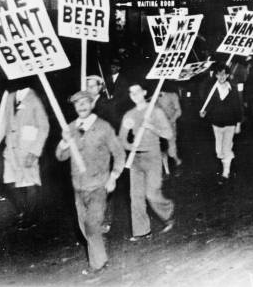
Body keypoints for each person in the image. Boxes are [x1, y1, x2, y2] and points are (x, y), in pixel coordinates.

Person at [56, 90, 125, 274]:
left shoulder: (103, 127)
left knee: (92, 225)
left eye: (85, 102)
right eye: (78, 103)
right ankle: (99, 258)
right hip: (78, 187)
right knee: (84, 228)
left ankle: (98, 264)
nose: (82, 106)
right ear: (74, 107)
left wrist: (113, 177)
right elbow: (60, 156)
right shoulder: (70, 128)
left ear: (92, 104)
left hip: (98, 185)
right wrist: (64, 142)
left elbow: (119, 153)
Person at [0, 85, 49, 230]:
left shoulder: (34, 100)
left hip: (27, 150)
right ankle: (24, 212)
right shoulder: (9, 97)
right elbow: (2, 124)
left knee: (30, 184)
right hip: (11, 150)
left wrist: (34, 151)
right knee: (9, 182)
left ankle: (31, 217)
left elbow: (44, 126)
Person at [119, 82, 174, 241]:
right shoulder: (129, 115)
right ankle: (142, 231)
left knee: (151, 193)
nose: (134, 95)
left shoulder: (155, 111)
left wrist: (151, 127)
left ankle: (167, 213)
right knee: (135, 196)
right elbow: (121, 139)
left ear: (144, 92)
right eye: (131, 93)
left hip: (153, 156)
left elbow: (168, 134)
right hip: (136, 158)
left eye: (137, 92)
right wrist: (130, 145)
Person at [199, 63, 242, 183]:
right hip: (216, 123)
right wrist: (204, 111)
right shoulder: (212, 89)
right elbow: (208, 104)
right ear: (216, 75)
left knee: (226, 148)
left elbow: (237, 106)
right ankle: (229, 158)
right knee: (219, 151)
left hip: (230, 123)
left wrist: (238, 123)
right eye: (219, 74)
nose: (222, 76)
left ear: (228, 75)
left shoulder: (232, 88)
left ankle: (226, 173)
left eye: (224, 74)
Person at [156, 82, 183, 170]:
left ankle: (177, 161)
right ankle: (165, 168)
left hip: (170, 124)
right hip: (159, 125)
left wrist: (171, 121)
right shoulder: (154, 96)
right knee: (160, 148)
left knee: (171, 147)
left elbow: (178, 111)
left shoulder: (173, 95)